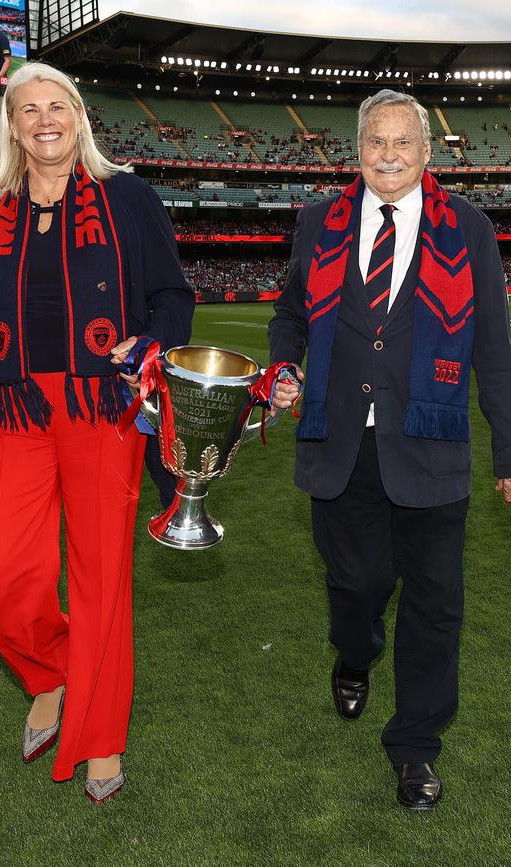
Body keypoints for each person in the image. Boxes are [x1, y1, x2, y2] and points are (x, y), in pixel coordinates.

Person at [0, 61, 194, 803]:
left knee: (102, 579)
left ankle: (101, 737)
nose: (44, 119)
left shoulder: (127, 195)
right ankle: (52, 672)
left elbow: (173, 294)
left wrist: (150, 345)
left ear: (79, 117)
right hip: (14, 409)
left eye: (57, 105)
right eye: (28, 108)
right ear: (11, 125)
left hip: (103, 408)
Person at [269, 89, 511, 812]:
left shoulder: (468, 229)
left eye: (404, 142)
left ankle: (415, 747)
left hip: (431, 446)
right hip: (339, 446)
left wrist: (510, 453)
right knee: (356, 586)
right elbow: (288, 315)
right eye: (377, 141)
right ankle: (355, 648)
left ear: (428, 153)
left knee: (436, 605)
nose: (389, 154)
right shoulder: (318, 222)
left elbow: (496, 355)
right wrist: (285, 367)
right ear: (358, 149)